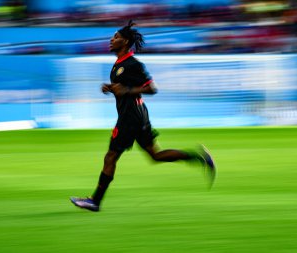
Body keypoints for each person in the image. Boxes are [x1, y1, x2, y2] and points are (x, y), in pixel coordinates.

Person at [70, 21, 216, 212]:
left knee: (111, 157)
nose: (111, 40)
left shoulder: (133, 64)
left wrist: (126, 90)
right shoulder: (118, 65)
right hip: (137, 115)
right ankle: (199, 158)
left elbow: (152, 88)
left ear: (126, 41)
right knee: (155, 155)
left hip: (130, 118)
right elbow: (124, 89)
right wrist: (112, 88)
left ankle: (95, 201)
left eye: (116, 37)